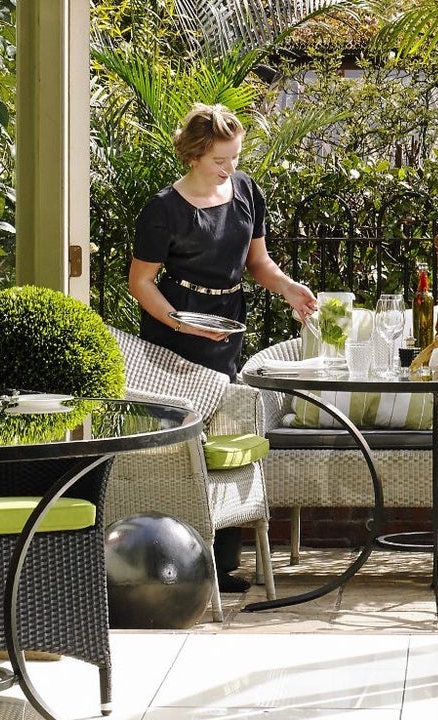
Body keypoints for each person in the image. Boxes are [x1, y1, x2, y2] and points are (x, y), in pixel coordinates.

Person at [129, 102, 317, 591]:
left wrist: (290, 288)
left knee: (226, 430)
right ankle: (177, 561)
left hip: (227, 324)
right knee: (182, 438)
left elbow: (260, 264)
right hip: (174, 334)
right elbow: (142, 282)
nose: (230, 167)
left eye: (235, 157)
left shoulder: (246, 192)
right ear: (194, 155)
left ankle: (221, 564)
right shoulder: (162, 210)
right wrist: (181, 324)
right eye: (220, 160)